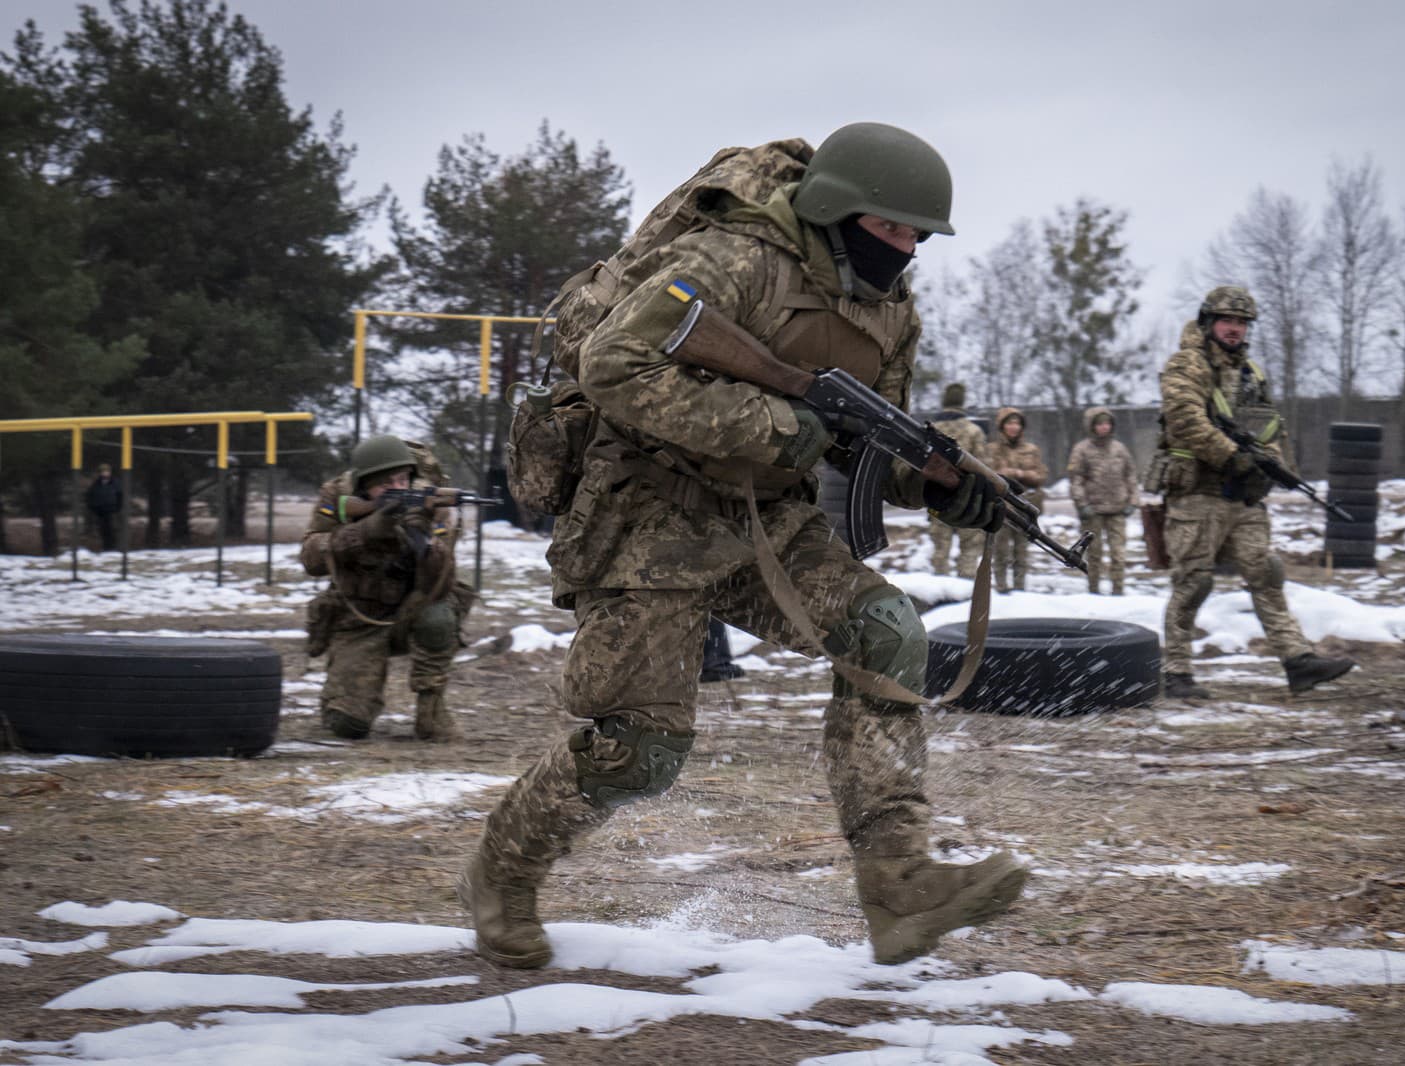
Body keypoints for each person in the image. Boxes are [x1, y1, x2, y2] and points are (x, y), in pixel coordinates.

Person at [460, 122, 1024, 971]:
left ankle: (900, 886)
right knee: (641, 751)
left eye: (918, 236)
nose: (907, 250)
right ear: (840, 211)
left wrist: (945, 485)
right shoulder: (736, 261)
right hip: (645, 515)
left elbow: (864, 443)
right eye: (893, 229)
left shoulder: (889, 310)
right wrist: (776, 424)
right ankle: (503, 874)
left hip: (766, 521)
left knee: (886, 633)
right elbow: (616, 363)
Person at [1155, 286, 1356, 700]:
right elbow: (1185, 421)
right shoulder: (1186, 365)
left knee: (1266, 574)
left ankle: (1298, 661)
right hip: (1197, 494)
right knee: (1193, 583)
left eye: (1242, 323)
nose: (1235, 329)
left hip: (1242, 498)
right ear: (1209, 322)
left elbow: (1268, 427)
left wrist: (1277, 470)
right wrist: (1234, 457)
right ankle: (1175, 670)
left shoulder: (1252, 374)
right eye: (1228, 321)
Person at [299, 434, 475, 741]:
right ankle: (343, 699)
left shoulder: (430, 502)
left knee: (439, 616)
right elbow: (311, 559)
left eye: (402, 480)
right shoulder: (338, 497)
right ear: (364, 485)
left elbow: (442, 584)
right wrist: (365, 530)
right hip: (357, 618)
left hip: (410, 612)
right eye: (385, 484)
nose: (397, 489)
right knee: (347, 726)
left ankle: (431, 709)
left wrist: (425, 542)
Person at [1066, 408, 1139, 595]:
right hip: (1093, 511)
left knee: (1118, 555)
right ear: (1091, 426)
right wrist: (1082, 504)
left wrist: (1133, 500)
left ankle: (1118, 591)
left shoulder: (1119, 449)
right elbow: (1076, 479)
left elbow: (1130, 475)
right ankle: (1093, 591)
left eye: (1107, 423)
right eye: (1099, 423)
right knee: (1094, 555)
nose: (1104, 427)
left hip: (1118, 509)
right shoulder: (1081, 450)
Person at [926, 383, 988, 578]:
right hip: (967, 499)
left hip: (936, 496)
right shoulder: (974, 431)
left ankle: (939, 593)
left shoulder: (931, 430)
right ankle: (965, 593)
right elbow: (983, 467)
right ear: (962, 402)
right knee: (970, 549)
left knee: (940, 550)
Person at [985, 407, 1049, 592]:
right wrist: (1005, 475)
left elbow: (1040, 476)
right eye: (1009, 423)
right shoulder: (991, 449)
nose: (1014, 427)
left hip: (1025, 507)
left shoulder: (1031, 450)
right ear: (1002, 426)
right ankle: (1001, 587)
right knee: (1001, 551)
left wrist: (1019, 473)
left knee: (1022, 552)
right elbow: (988, 475)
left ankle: (1020, 589)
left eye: (1017, 423)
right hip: (1001, 510)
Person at [85, 464, 122, 552]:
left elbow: (120, 496)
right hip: (100, 512)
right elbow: (90, 497)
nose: (105, 473)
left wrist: (117, 508)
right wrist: (93, 508)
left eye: (107, 471)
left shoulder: (115, 483)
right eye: (103, 472)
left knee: (112, 530)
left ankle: (113, 549)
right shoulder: (96, 484)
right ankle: (106, 548)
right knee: (103, 531)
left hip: (112, 511)